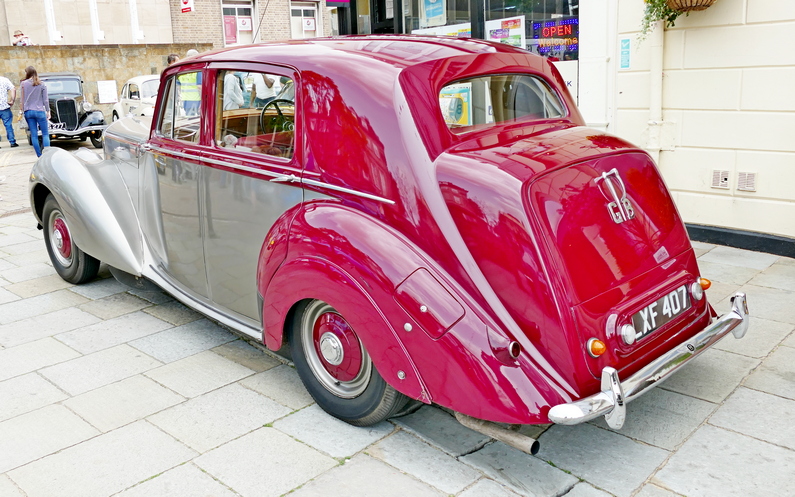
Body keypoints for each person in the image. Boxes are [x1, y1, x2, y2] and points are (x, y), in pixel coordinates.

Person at [20, 66, 50, 157]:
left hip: (28, 112)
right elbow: (46, 100)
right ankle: (47, 155)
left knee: (34, 135)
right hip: (40, 111)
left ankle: (39, 155)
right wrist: (48, 111)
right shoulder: (42, 84)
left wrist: (21, 111)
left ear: (28, 73)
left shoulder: (23, 84)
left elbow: (22, 100)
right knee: (45, 134)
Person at [0, 75, 18, 148]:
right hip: (4, 107)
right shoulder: (4, 80)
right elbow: (13, 89)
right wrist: (12, 100)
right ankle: (12, 142)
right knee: (8, 125)